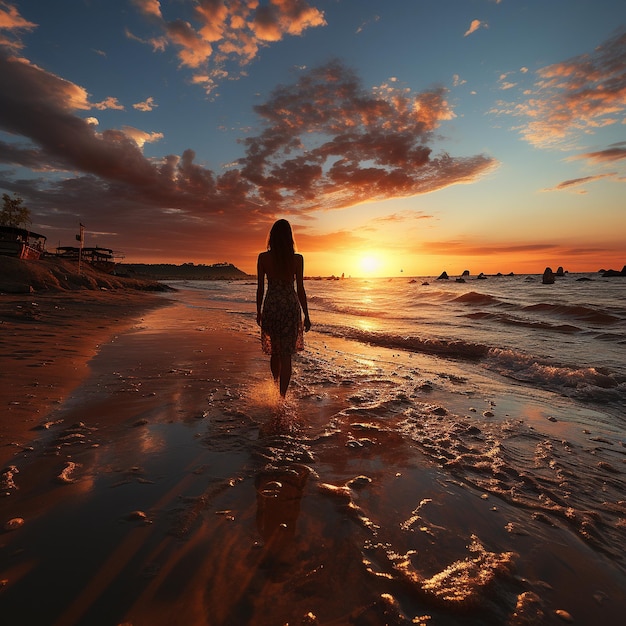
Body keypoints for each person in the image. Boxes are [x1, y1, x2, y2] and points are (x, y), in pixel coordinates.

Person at [256, 219, 311, 397]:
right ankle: (282, 397)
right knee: (286, 354)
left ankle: (274, 383)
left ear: (272, 237)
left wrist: (258, 311)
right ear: (289, 237)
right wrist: (307, 315)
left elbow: (260, 288)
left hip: (272, 305)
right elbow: (300, 289)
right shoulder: (297, 259)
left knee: (275, 351)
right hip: (289, 306)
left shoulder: (263, 258)